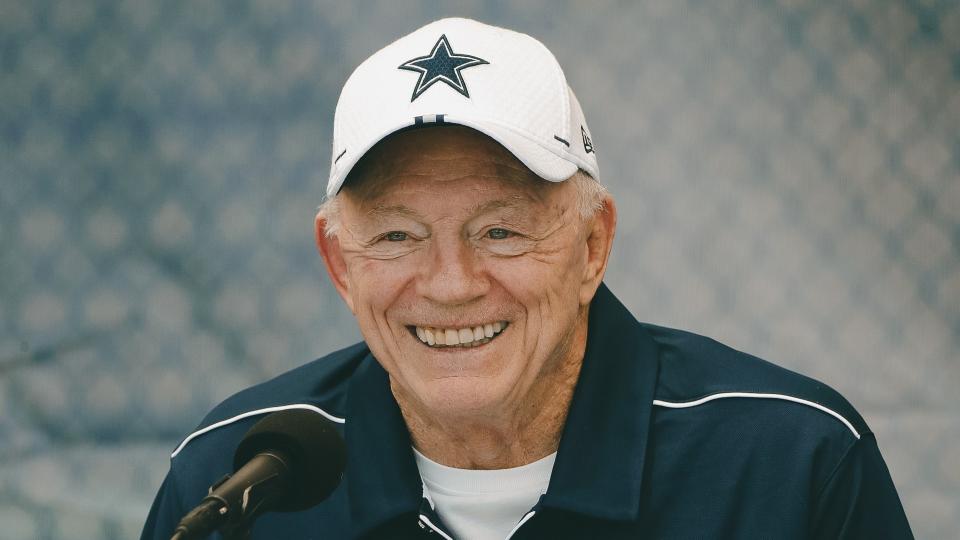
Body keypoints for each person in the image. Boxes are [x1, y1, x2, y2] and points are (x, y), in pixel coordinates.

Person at [142, 17, 912, 540]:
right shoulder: (234, 484)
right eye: (399, 235)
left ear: (592, 246)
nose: (450, 284)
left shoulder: (792, 466)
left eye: (500, 230)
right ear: (341, 264)